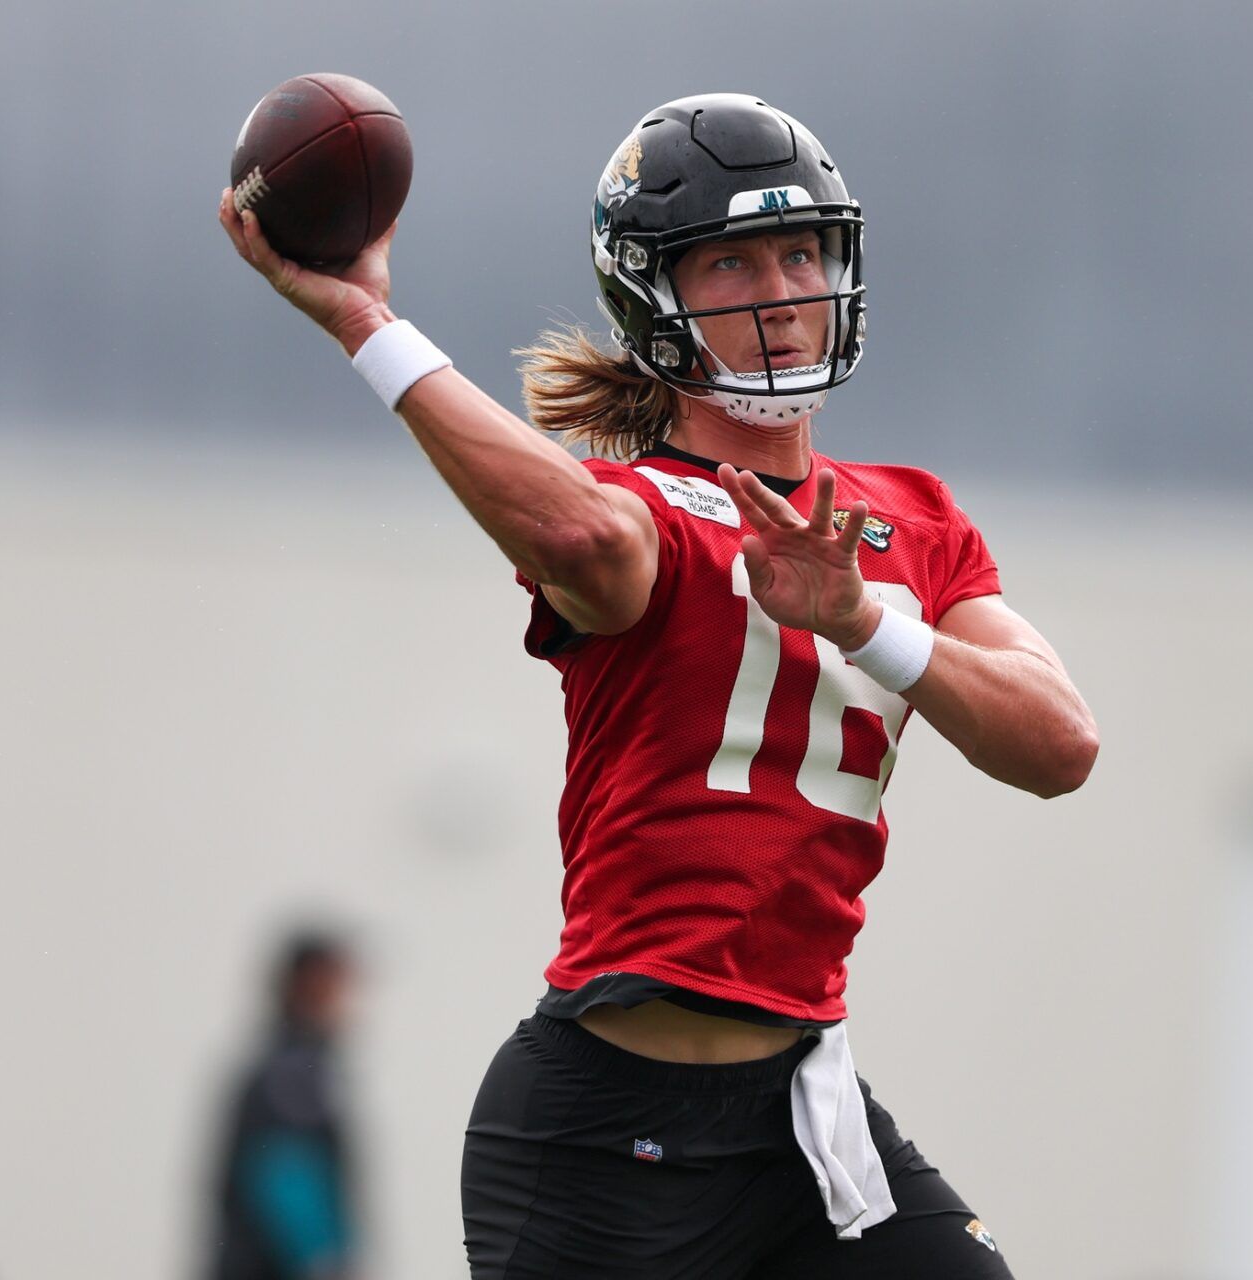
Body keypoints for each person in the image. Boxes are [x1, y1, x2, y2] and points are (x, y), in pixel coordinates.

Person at [219, 92, 1098, 1278]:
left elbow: (1061, 745)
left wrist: (863, 624)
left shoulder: (913, 517)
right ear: (656, 299)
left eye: (801, 251)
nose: (783, 290)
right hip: (600, 1127)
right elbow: (583, 541)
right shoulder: (647, 510)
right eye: (733, 262)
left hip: (801, 1113)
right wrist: (367, 324)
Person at [204, 930, 362, 1280]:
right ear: (309, 985)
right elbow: (285, 1175)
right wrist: (328, 1265)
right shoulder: (293, 1074)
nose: (349, 1000)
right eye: (337, 983)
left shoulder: (287, 1066)